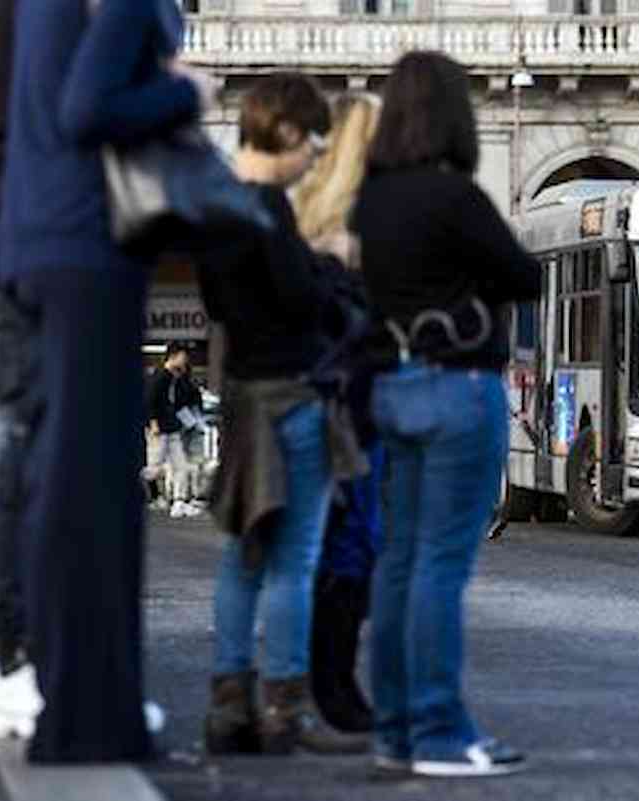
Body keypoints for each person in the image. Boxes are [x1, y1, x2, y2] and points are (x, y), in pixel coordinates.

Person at [0, 0, 218, 762]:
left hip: (38, 234)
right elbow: (89, 106)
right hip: (89, 241)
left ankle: (81, 700)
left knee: (67, 477)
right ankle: (92, 712)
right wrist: (191, 91)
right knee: (95, 487)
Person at [352, 51, 541, 777]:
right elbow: (522, 273)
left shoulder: (371, 199)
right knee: (441, 564)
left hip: (392, 388)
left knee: (399, 562)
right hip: (460, 388)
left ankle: (395, 727)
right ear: (454, 115)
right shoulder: (453, 197)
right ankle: (438, 729)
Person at [198, 72, 368, 757]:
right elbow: (302, 302)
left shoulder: (215, 204)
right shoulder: (269, 209)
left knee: (243, 555)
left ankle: (228, 705)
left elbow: (216, 304)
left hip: (241, 396)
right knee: (295, 561)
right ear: (289, 133)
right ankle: (286, 708)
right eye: (314, 144)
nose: (314, 160)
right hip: (293, 398)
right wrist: (329, 264)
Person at [292, 92, 383, 733]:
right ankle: (332, 683)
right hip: (353, 400)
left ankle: (324, 680)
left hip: (329, 395)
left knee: (330, 543)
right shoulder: (350, 227)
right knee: (351, 542)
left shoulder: (310, 214)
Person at [146, 341, 201, 519]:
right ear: (174, 356)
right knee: (154, 468)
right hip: (160, 428)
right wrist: (153, 423)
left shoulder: (174, 377)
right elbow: (150, 401)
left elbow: (178, 400)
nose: (186, 360)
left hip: (172, 427)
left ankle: (179, 502)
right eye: (183, 356)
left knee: (181, 467)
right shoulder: (160, 376)